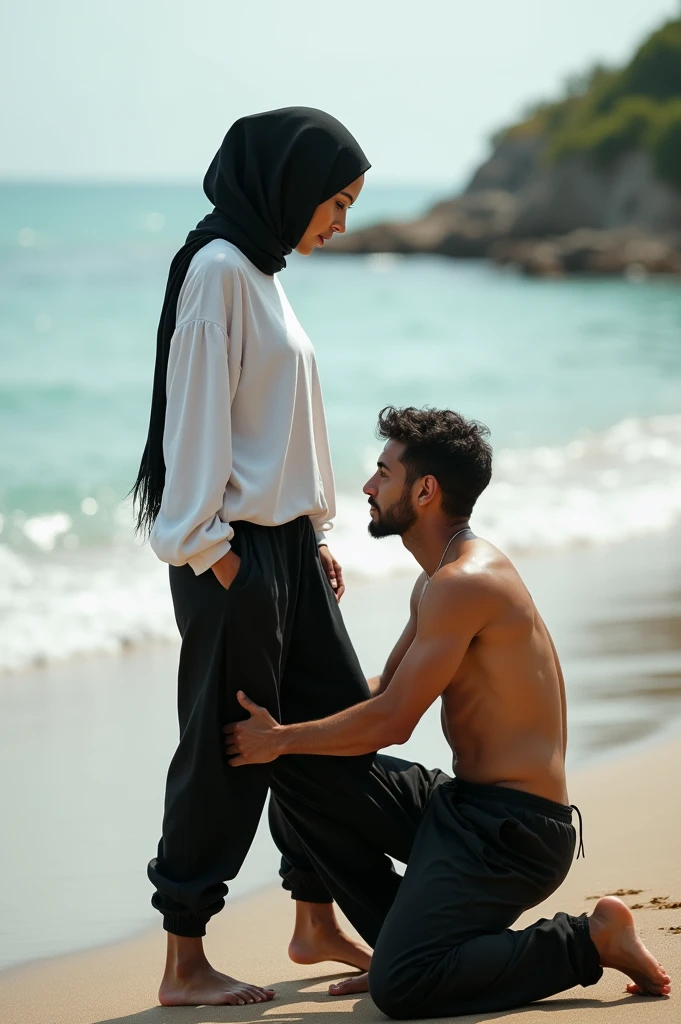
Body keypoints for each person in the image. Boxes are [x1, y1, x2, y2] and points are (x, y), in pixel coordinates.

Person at [224, 405, 671, 1018]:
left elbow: (390, 722)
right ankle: (401, 943)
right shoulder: (437, 580)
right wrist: (288, 705)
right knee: (300, 770)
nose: (368, 487)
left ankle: (589, 939)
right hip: (463, 807)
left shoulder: (466, 582)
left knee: (402, 989)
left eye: (383, 473)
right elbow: (381, 690)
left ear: (425, 490)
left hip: (516, 834)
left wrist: (280, 737)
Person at [132, 107, 375, 1007]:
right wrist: (215, 555)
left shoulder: (265, 270)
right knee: (229, 755)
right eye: (336, 201)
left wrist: (313, 535)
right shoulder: (220, 271)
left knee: (332, 732)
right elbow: (192, 418)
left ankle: (313, 917)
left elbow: (278, 425)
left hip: (287, 554)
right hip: (231, 557)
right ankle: (184, 960)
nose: (340, 223)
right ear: (287, 184)